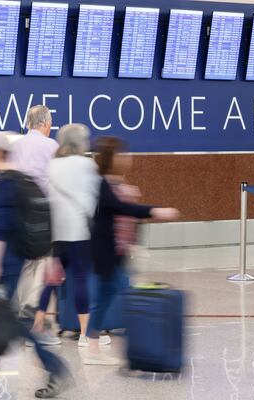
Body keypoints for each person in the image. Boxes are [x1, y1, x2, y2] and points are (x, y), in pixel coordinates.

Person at [0, 131, 71, 399]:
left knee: (9, 319)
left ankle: (55, 368)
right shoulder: (23, 179)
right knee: (1, 315)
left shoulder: (2, 184)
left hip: (4, 264)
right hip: (20, 257)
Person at [84, 136, 179, 365]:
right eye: (122, 155)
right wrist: (155, 211)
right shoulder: (101, 185)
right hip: (105, 252)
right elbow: (121, 209)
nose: (128, 158)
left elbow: (124, 216)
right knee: (121, 295)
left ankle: (95, 345)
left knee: (108, 297)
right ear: (111, 159)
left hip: (116, 253)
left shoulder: (114, 184)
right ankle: (120, 345)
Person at [32, 123, 111, 348]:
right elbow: (97, 195)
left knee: (52, 280)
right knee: (79, 279)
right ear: (80, 142)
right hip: (79, 231)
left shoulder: (53, 165)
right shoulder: (87, 165)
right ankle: (86, 333)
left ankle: (37, 328)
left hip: (57, 232)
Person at [8, 105, 59, 326]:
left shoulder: (16, 145)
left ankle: (21, 308)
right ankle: (33, 307)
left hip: (19, 208)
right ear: (46, 124)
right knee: (44, 259)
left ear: (29, 123)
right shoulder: (51, 145)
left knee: (25, 261)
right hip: (44, 210)